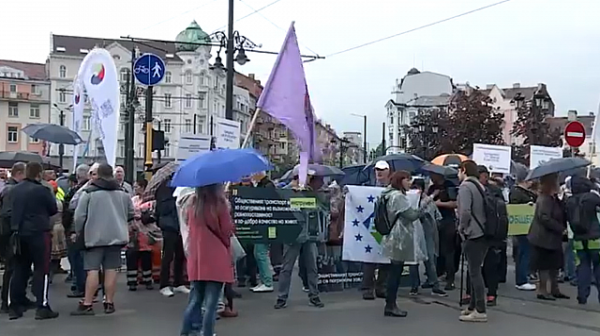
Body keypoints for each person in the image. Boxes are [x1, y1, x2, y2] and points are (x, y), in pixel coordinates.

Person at [71, 163, 134, 315]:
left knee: (92, 270)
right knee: (111, 270)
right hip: (116, 237)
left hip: (94, 237)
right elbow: (131, 213)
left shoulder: (89, 193)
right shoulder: (123, 193)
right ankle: (109, 302)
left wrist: (78, 232)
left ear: (97, 175)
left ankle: (87, 303)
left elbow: (79, 217)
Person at [180, 184, 235, 336]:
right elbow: (226, 231)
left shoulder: (193, 203)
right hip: (216, 257)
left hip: (197, 257)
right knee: (211, 303)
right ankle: (207, 333)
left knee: (195, 299)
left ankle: (186, 331)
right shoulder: (220, 204)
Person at [9, 162, 58, 320]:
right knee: (41, 269)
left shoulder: (14, 190)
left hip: (18, 232)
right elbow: (53, 209)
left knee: (19, 268)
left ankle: (15, 305)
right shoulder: (42, 190)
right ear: (39, 174)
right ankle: (42, 305)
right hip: (38, 232)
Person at [380, 171, 432, 317]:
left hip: (394, 237)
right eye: (407, 180)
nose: (410, 183)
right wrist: (424, 205)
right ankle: (391, 305)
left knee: (394, 271)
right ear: (400, 181)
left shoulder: (388, 194)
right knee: (395, 273)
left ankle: (390, 304)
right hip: (399, 238)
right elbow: (412, 215)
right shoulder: (398, 196)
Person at [274, 173, 325, 309]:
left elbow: (319, 208)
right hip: (292, 234)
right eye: (308, 176)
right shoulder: (285, 191)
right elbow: (280, 207)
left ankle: (314, 295)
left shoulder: (309, 192)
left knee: (312, 266)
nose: (310, 179)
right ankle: (281, 297)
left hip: (309, 234)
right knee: (287, 267)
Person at [528, 173, 570, 301]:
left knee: (555, 264)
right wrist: (560, 228)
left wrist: (562, 200)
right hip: (543, 238)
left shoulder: (553, 197)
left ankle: (554, 289)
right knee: (544, 265)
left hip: (552, 237)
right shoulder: (544, 198)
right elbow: (544, 217)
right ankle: (543, 290)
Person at [457, 160, 489, 322]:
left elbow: (466, 211)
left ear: (464, 170)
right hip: (484, 232)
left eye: (459, 170)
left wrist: (461, 227)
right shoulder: (480, 186)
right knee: (475, 270)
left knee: (475, 272)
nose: (458, 174)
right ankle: (472, 306)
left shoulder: (465, 187)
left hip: (473, 233)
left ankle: (480, 310)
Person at [408, 178, 447, 297]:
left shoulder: (428, 201)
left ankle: (434, 285)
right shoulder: (410, 199)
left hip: (427, 231)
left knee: (430, 258)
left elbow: (437, 216)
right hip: (414, 231)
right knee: (413, 259)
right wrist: (431, 197)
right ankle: (414, 286)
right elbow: (416, 212)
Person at [565, 175, 600, 304]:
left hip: (578, 238)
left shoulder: (569, 201)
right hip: (595, 237)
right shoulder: (592, 198)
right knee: (598, 266)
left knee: (582, 266)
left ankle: (582, 295)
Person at [154, 172, 189, 297]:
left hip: (180, 224)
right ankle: (164, 284)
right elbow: (163, 209)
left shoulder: (183, 187)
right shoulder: (164, 189)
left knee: (180, 254)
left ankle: (178, 282)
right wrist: (176, 200)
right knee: (168, 255)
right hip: (169, 225)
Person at [361, 160, 392, 300]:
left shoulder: (392, 188)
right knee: (370, 259)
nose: (379, 172)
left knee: (386, 259)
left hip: (387, 227)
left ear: (388, 172)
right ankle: (367, 288)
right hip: (372, 227)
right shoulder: (367, 187)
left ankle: (381, 287)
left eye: (382, 169)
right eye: (377, 169)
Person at [0, 162, 27, 314]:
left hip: (9, 233)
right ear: (19, 173)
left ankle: (16, 298)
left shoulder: (10, 189)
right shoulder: (11, 190)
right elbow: (7, 214)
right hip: (10, 235)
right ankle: (8, 301)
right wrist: (15, 227)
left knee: (17, 268)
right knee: (12, 269)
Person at [127, 178, 161, 291]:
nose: (135, 188)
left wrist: (140, 216)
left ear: (143, 187)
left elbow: (153, 215)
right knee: (132, 256)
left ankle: (147, 279)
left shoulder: (151, 201)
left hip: (147, 233)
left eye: (137, 186)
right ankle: (132, 281)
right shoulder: (133, 200)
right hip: (134, 232)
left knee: (146, 257)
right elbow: (129, 212)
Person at [428, 172, 459, 291]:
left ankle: (450, 278)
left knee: (448, 251)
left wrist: (439, 203)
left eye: (433, 176)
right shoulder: (432, 188)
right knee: (437, 250)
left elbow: (454, 203)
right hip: (434, 221)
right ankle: (437, 274)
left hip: (447, 220)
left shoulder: (449, 186)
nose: (431, 178)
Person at [63, 164, 90, 298]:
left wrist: (69, 228)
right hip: (90, 229)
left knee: (76, 259)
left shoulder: (76, 191)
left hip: (75, 229)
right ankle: (90, 285)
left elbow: (69, 210)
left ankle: (80, 286)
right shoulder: (93, 189)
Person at [509, 172, 538, 291]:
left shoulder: (524, 192)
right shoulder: (517, 192)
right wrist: (526, 205)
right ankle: (521, 280)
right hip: (522, 226)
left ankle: (523, 277)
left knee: (524, 252)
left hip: (525, 226)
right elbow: (515, 207)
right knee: (524, 252)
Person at [248, 172, 275, 292]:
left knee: (261, 253)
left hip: (265, 223)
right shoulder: (265, 185)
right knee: (259, 253)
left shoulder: (267, 186)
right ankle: (265, 280)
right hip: (263, 223)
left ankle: (267, 282)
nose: (251, 176)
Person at [48, 180, 67, 284]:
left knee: (51, 253)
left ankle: (50, 274)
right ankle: (53, 271)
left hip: (54, 228)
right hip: (60, 227)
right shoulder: (60, 201)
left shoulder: (53, 202)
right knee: (56, 253)